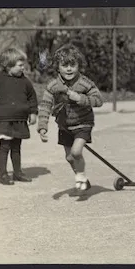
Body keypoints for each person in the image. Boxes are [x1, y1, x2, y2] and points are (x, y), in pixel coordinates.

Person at [37, 44, 103, 196]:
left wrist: (81, 98)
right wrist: (42, 127)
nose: (68, 69)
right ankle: (83, 178)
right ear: (57, 67)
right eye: (64, 65)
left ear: (79, 66)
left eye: (72, 65)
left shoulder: (84, 83)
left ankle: (80, 175)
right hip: (65, 125)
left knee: (76, 151)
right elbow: (46, 105)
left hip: (83, 123)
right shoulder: (53, 86)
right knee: (69, 157)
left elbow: (98, 100)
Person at [0, 48, 38, 185]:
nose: (23, 68)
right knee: (4, 146)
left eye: (23, 65)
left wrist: (33, 112)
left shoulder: (25, 81)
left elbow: (32, 98)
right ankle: (4, 175)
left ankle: (18, 173)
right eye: (20, 65)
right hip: (4, 119)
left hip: (20, 119)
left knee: (16, 147)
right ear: (9, 66)